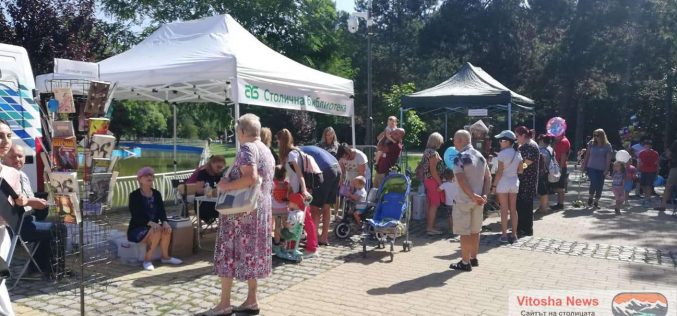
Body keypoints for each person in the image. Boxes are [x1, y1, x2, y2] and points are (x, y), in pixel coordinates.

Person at [206, 113, 274, 316]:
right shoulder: (266, 151)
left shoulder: (246, 148)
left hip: (240, 215)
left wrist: (226, 185)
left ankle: (224, 303)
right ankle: (252, 300)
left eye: (237, 132)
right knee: (251, 256)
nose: (237, 136)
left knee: (228, 255)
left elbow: (251, 178)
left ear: (243, 132)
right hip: (260, 212)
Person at [4, 144, 67, 278]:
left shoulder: (23, 175)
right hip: (16, 225)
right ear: (4, 158)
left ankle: (37, 269)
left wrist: (38, 201)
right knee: (59, 229)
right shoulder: (6, 176)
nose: (17, 159)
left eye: (20, 156)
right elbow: (12, 204)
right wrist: (33, 202)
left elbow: (26, 197)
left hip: (26, 219)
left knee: (49, 227)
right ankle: (55, 271)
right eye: (12, 156)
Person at [449, 130, 491, 272]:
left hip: (464, 200)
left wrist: (472, 196)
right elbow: (488, 178)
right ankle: (473, 258)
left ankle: (465, 262)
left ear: (460, 140)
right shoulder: (481, 157)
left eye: (455, 139)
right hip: (479, 201)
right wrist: (484, 195)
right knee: (475, 230)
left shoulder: (459, 157)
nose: (453, 142)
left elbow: (461, 179)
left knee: (464, 232)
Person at [127, 167, 183, 271]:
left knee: (167, 229)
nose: (149, 177)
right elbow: (136, 215)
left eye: (151, 175)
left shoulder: (156, 194)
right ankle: (147, 260)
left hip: (153, 226)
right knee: (156, 231)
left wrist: (165, 222)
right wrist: (150, 223)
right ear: (139, 179)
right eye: (146, 175)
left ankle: (165, 257)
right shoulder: (134, 195)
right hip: (137, 228)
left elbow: (162, 211)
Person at [276, 129, 318, 257]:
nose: (276, 143)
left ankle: (312, 248)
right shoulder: (297, 152)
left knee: (304, 219)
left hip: (299, 191)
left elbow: (300, 175)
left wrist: (303, 190)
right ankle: (307, 245)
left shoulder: (292, 155)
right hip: (297, 190)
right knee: (303, 219)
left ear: (281, 141)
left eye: (277, 140)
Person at [299, 145, 342, 246]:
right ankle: (324, 237)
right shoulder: (306, 148)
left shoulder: (296, 153)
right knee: (327, 206)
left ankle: (313, 240)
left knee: (315, 208)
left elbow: (301, 174)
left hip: (325, 171)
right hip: (336, 169)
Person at [492, 130, 522, 243]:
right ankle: (514, 235)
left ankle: (504, 235)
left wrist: (494, 186)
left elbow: (499, 172)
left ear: (508, 142)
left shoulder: (502, 154)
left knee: (504, 209)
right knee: (513, 209)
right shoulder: (518, 153)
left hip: (503, 182)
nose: (500, 142)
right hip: (514, 182)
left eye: (502, 140)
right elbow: (521, 170)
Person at [515, 126, 540, 237]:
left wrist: (517, 168)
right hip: (524, 180)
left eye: (517, 136)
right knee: (522, 205)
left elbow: (527, 162)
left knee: (525, 205)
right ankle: (522, 228)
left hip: (527, 180)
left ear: (523, 136)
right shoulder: (526, 145)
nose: (516, 139)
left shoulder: (530, 146)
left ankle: (526, 229)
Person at [421, 133, 446, 236]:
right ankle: (430, 228)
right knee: (434, 204)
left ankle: (430, 225)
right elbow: (433, 171)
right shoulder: (433, 153)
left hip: (428, 180)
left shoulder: (427, 152)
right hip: (433, 181)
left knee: (430, 203)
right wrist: (441, 184)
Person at [581, 129, 613, 208]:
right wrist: (583, 165)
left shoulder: (607, 145)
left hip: (601, 168)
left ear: (602, 136)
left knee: (600, 185)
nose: (595, 137)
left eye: (597, 135)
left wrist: (606, 169)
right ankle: (590, 197)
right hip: (591, 167)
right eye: (594, 135)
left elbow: (608, 159)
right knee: (594, 182)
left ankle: (596, 201)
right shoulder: (591, 143)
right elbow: (587, 155)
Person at [194, 155, 226, 224]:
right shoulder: (203, 173)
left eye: (221, 168)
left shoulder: (218, 174)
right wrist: (209, 190)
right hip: (202, 204)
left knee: (228, 207)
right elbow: (198, 190)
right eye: (218, 167)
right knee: (223, 209)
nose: (219, 169)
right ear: (212, 164)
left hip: (215, 202)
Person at [551, 133, 571, 210]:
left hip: (560, 167)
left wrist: (560, 168)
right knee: (560, 186)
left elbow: (563, 155)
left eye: (556, 135)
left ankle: (560, 204)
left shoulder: (563, 142)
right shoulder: (559, 141)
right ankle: (559, 203)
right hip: (560, 166)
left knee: (560, 187)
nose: (554, 136)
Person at [656, 140, 677, 212]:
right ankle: (663, 205)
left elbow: (668, 152)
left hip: (675, 167)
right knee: (668, 186)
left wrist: (670, 158)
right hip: (675, 167)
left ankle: (663, 206)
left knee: (668, 186)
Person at [638, 139, 659, 206]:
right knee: (642, 185)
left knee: (649, 185)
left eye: (649, 146)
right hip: (643, 171)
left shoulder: (655, 154)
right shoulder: (641, 153)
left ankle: (647, 198)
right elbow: (639, 162)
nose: (647, 147)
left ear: (651, 146)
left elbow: (657, 164)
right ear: (644, 146)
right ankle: (646, 196)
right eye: (646, 146)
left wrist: (657, 173)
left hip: (652, 171)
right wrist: (638, 170)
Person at [271, 165, 289, 246]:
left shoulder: (273, 183)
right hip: (285, 208)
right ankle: (285, 241)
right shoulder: (286, 184)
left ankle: (277, 241)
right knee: (285, 225)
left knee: (277, 226)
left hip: (275, 209)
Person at [537, 134, 554, 214]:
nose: (538, 142)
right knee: (544, 191)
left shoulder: (542, 151)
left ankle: (544, 209)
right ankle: (543, 207)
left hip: (542, 173)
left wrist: (522, 166)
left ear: (542, 141)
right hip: (546, 172)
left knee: (543, 192)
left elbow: (533, 160)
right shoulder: (550, 149)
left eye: (539, 140)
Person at [437, 169, 457, 236]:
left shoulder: (444, 184)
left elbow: (438, 190)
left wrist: (442, 181)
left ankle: (451, 229)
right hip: (457, 202)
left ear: (444, 177)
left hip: (449, 203)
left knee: (450, 216)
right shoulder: (456, 183)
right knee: (457, 216)